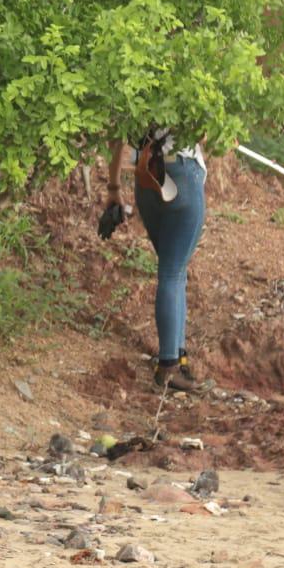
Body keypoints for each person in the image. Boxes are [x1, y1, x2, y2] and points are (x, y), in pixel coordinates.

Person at [101, 129, 207, 392]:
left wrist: (114, 187)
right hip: (182, 175)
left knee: (173, 269)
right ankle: (168, 366)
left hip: (146, 179)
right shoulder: (195, 88)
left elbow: (117, 138)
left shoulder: (137, 88)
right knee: (172, 272)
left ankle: (178, 357)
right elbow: (205, 137)